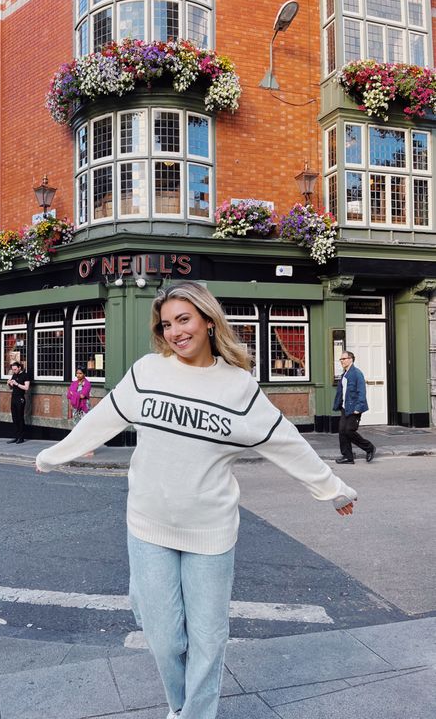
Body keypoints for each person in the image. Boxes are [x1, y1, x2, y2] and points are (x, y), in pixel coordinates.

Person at [35, 281, 357, 719]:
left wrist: (332, 489)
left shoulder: (237, 387)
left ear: (208, 321)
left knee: (207, 641)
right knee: (165, 638)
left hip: (210, 530)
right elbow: (103, 416)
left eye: (183, 319)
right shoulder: (148, 371)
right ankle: (178, 700)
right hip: (148, 524)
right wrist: (55, 455)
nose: (175, 331)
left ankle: (191, 715)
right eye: (166, 324)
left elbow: (286, 443)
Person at [333, 350, 376, 464]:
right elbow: (342, 392)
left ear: (350, 359)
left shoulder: (357, 373)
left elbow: (361, 392)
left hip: (354, 408)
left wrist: (359, 407)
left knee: (349, 431)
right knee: (342, 431)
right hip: (345, 408)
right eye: (341, 359)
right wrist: (338, 404)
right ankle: (348, 457)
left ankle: (369, 448)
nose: (341, 361)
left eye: (344, 359)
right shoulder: (344, 375)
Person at [67, 367, 94, 457]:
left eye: (80, 373)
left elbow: (82, 396)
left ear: (84, 374)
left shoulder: (87, 384)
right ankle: (78, 448)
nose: (78, 375)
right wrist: (75, 395)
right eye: (77, 373)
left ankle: (89, 450)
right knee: (76, 427)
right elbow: (68, 394)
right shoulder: (74, 383)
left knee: (86, 428)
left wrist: (73, 394)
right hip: (76, 408)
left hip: (84, 407)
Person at [7, 361, 30, 444]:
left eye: (15, 369)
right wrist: (9, 384)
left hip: (20, 398)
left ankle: (21, 437)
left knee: (20, 418)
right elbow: (11, 388)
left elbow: (26, 388)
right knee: (14, 417)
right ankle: (16, 436)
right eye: (13, 369)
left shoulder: (25, 375)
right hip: (14, 398)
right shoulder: (14, 375)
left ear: (20, 367)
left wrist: (17, 384)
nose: (14, 371)